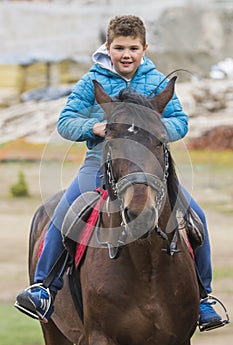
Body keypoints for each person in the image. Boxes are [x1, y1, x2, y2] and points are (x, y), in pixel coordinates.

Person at [15, 15, 222, 328]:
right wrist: (94, 126)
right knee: (63, 214)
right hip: (100, 163)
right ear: (108, 48)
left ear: (144, 49)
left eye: (133, 48)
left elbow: (180, 122)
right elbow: (65, 122)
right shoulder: (91, 82)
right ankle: (44, 288)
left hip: (150, 168)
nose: (127, 54)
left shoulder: (156, 82)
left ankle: (204, 300)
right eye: (120, 47)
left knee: (196, 217)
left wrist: (149, 128)